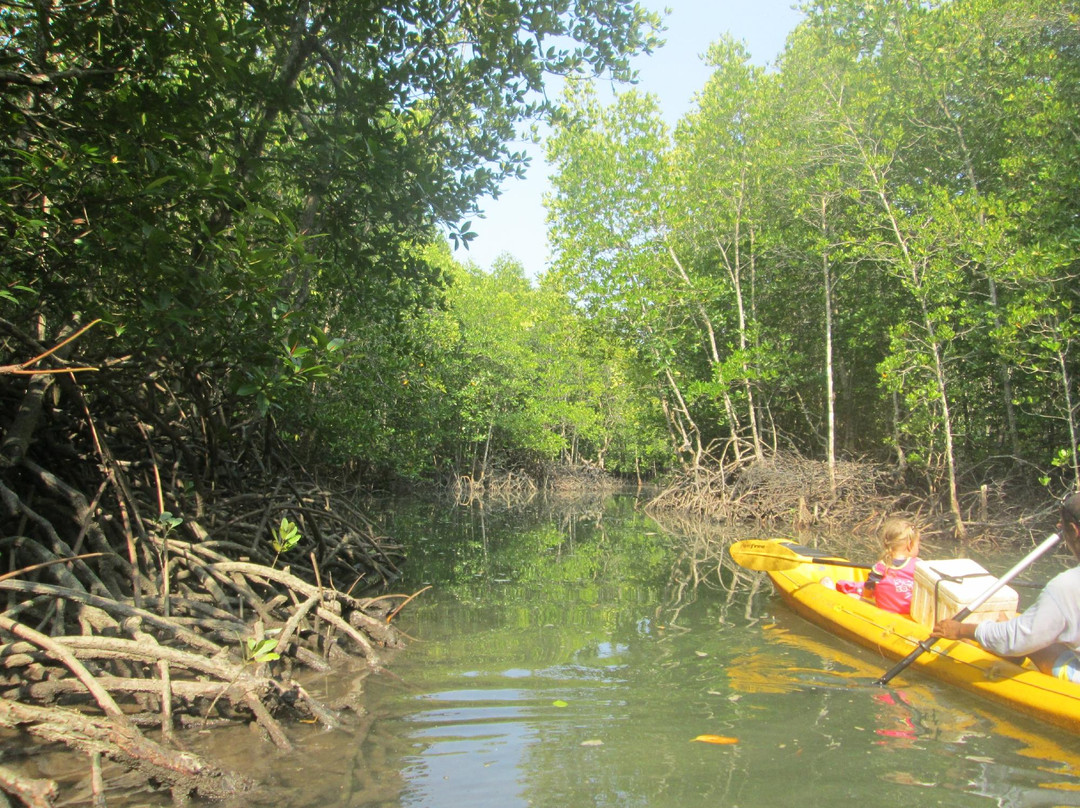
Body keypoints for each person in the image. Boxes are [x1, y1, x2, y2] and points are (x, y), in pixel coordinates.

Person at [931, 493, 1080, 681]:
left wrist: (961, 630)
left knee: (1033, 644)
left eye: (1063, 526)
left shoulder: (1064, 587)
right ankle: (1003, 633)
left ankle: (1001, 640)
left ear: (1074, 530)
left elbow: (1021, 639)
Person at [863, 518, 921, 615]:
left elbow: (867, 593)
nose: (918, 548)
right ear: (910, 545)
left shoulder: (880, 567)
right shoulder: (919, 566)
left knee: (856, 597)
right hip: (912, 615)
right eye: (918, 545)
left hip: (885, 612)